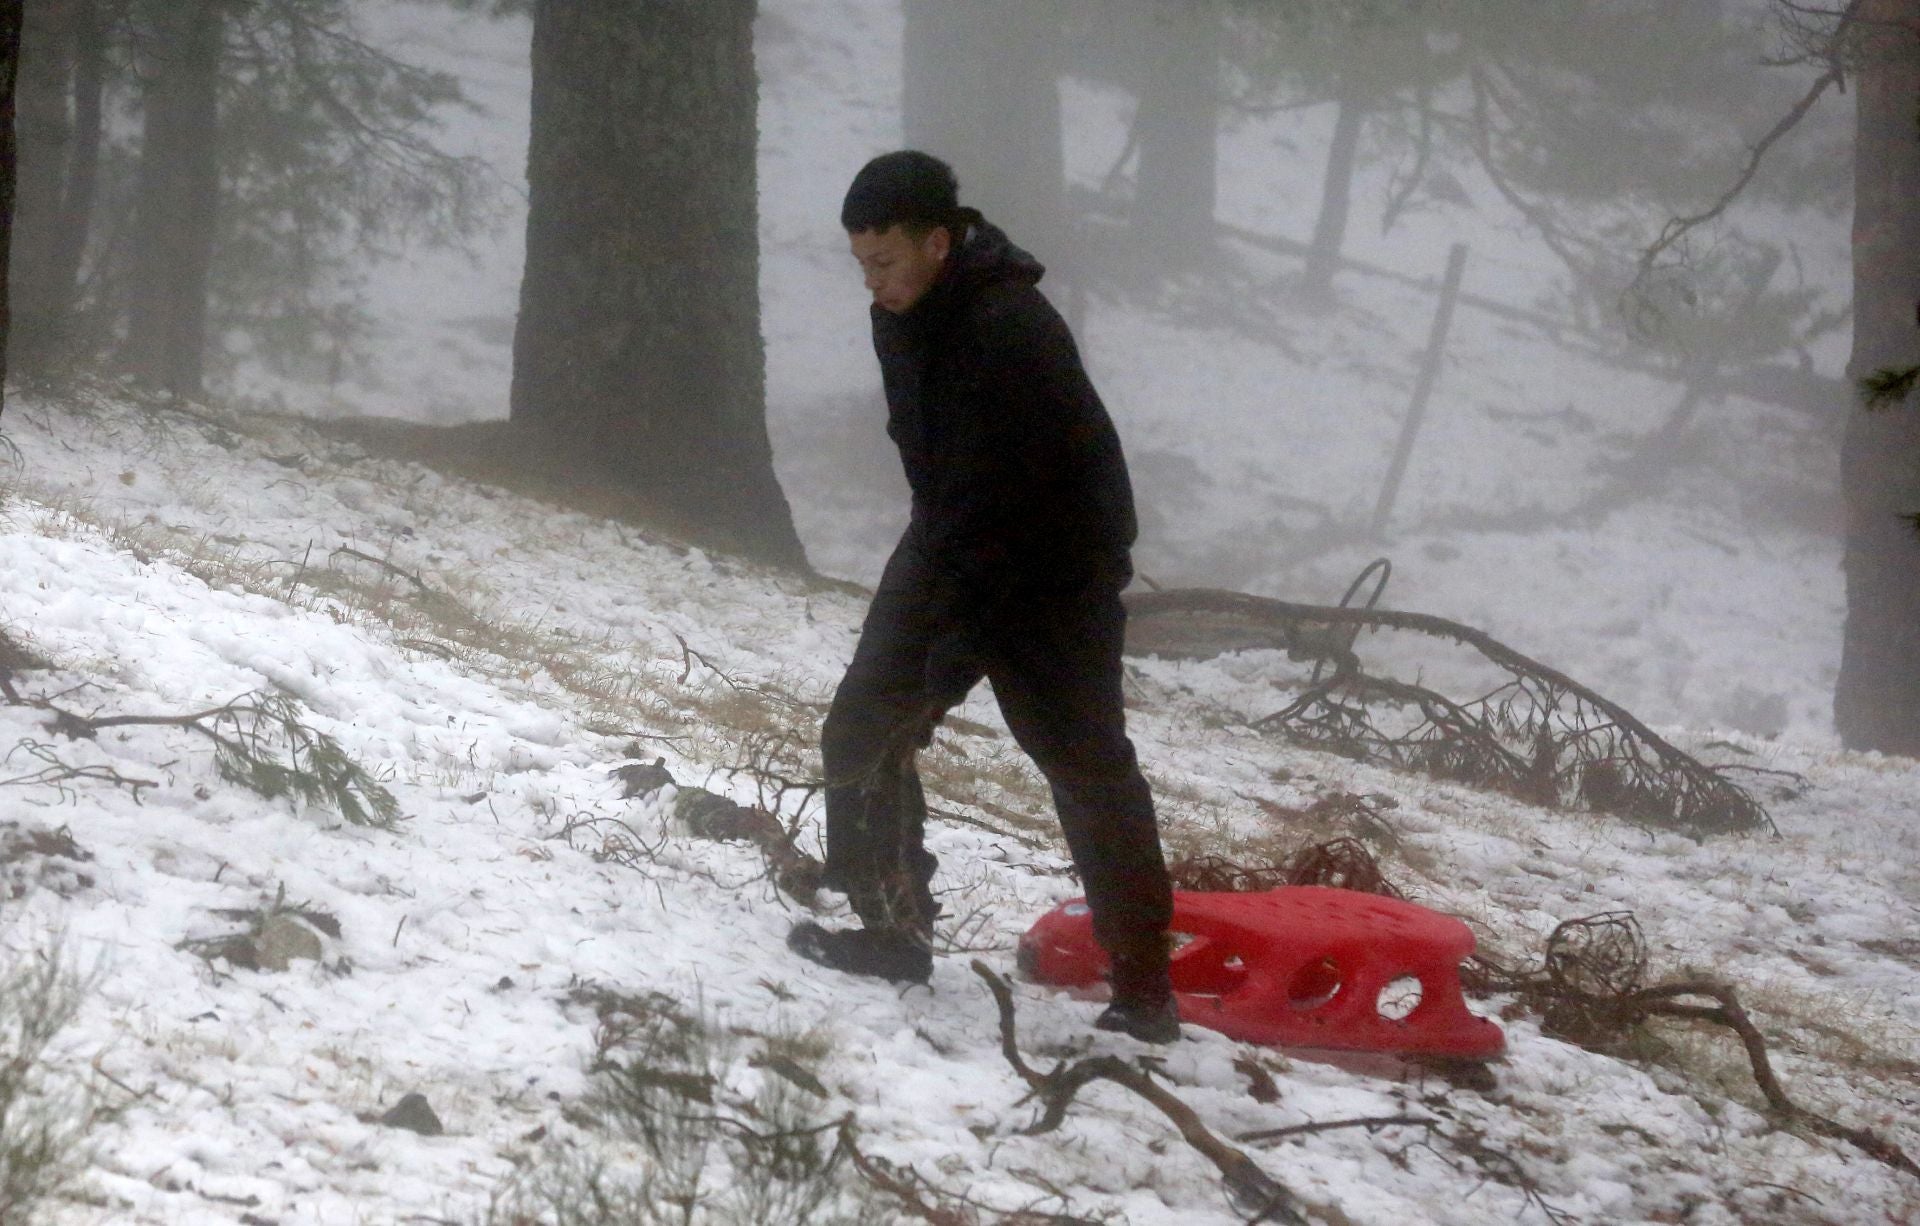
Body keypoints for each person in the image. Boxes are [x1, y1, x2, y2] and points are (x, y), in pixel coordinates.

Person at [787, 151, 1179, 1043]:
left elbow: (1021, 504)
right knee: (863, 723)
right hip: (952, 532)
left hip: (1054, 568)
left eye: (885, 263)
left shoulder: (1010, 331)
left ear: (938, 241)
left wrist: (955, 645)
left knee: (1081, 762)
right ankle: (891, 930)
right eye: (861, 266)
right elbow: (948, 479)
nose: (874, 284)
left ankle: (1147, 989)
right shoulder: (906, 312)